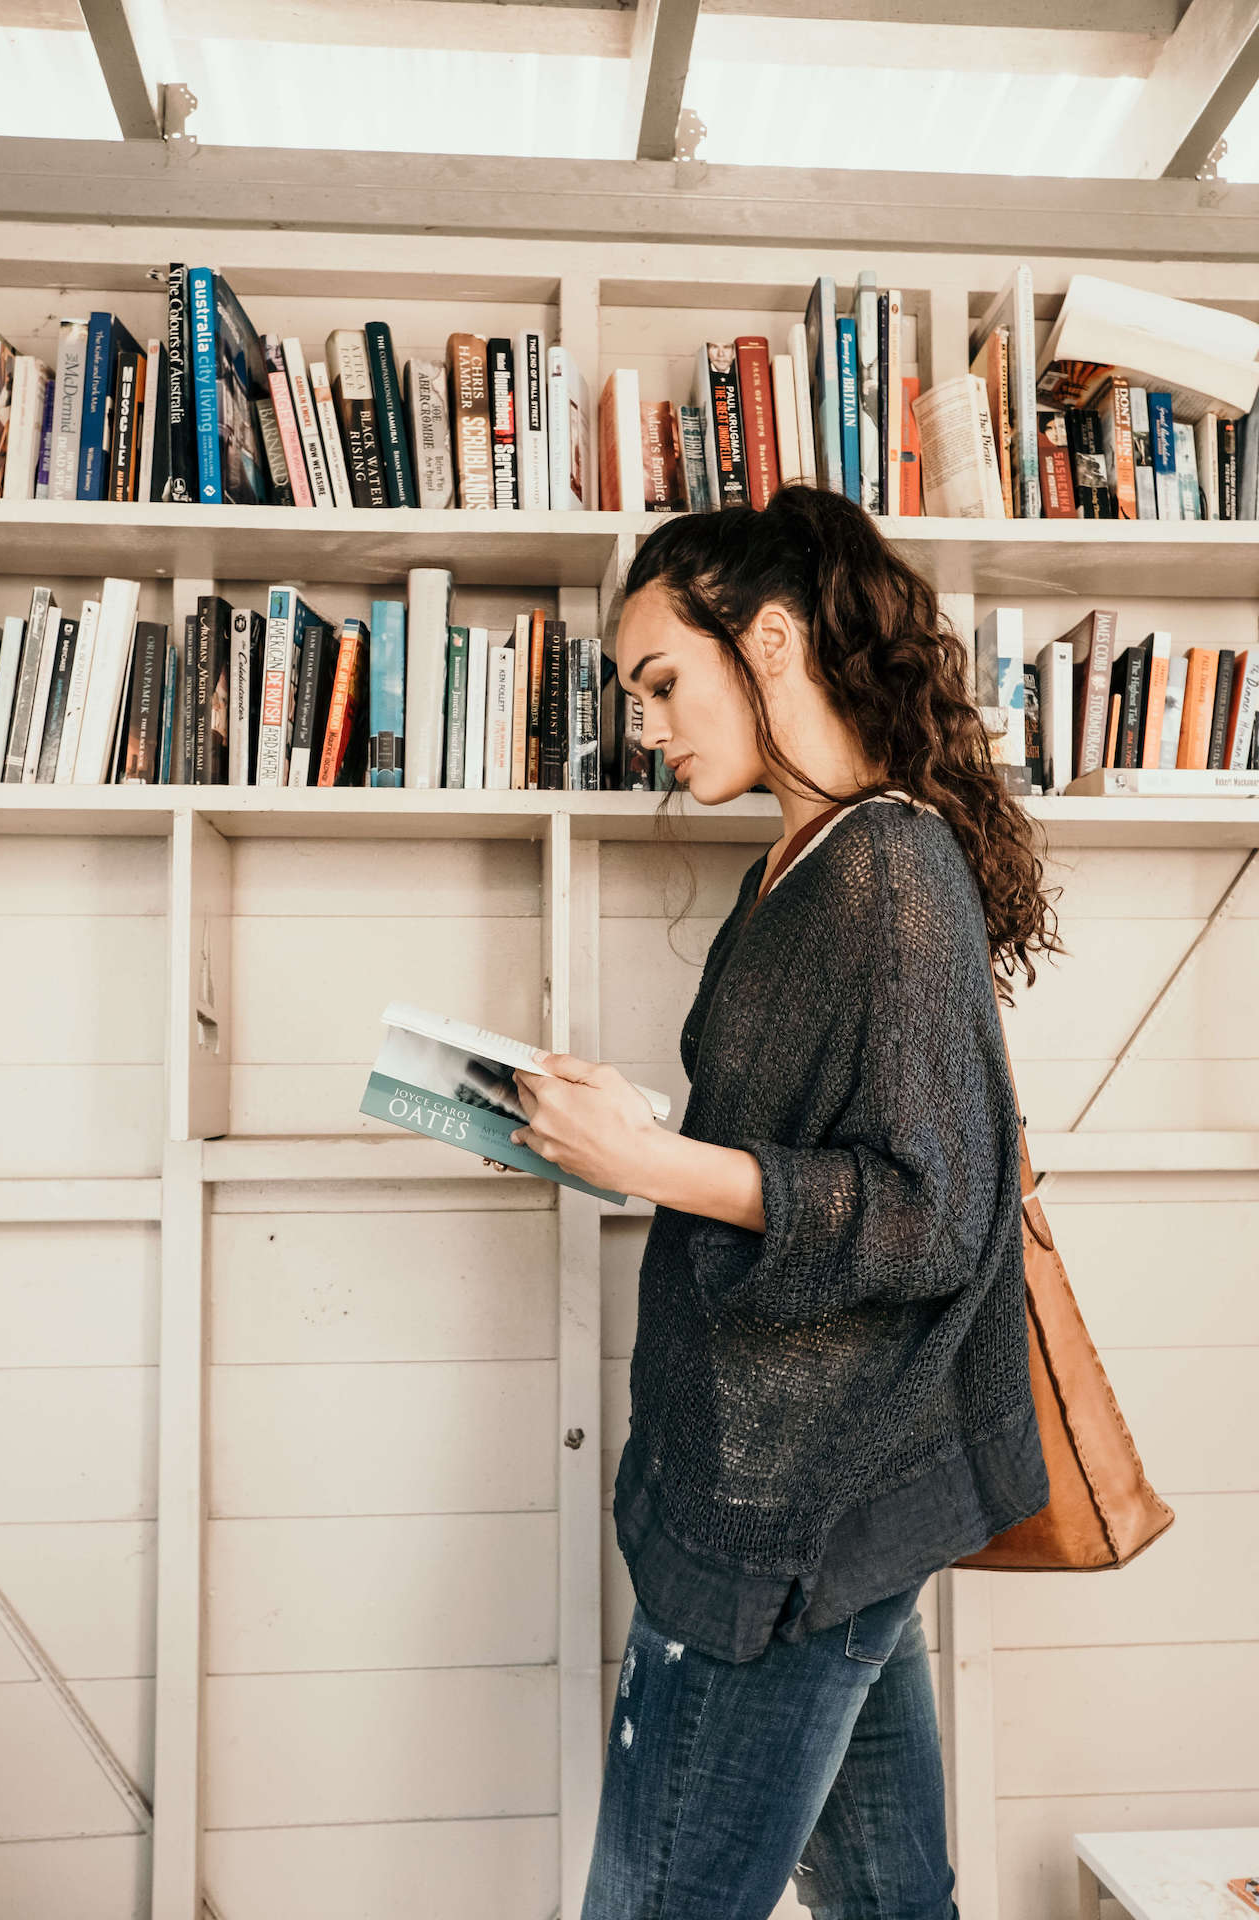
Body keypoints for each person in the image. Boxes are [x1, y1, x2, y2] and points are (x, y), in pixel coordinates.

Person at [486, 483, 1064, 1918]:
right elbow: (793, 1145)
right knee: (888, 1901)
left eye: (666, 680)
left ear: (778, 641)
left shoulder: (889, 868)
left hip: (789, 1513)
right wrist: (617, 1131)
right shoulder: (794, 866)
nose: (652, 725)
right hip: (792, 1479)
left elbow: (935, 1212)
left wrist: (654, 1165)